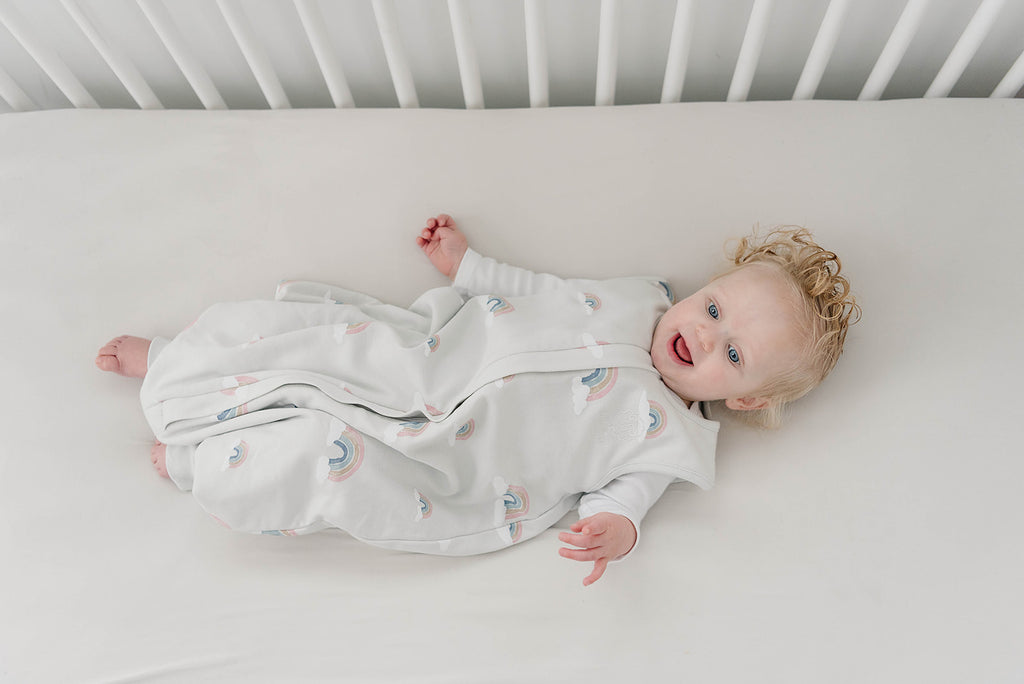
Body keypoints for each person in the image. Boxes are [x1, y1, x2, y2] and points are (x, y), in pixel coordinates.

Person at [96, 214, 858, 586]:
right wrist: (467, 266)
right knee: (304, 339)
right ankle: (175, 364)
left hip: (452, 463)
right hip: (425, 362)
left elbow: (629, 495)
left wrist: (614, 530)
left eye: (731, 354)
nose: (702, 333)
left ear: (749, 399)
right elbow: (543, 293)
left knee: (327, 462)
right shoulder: (636, 300)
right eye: (715, 308)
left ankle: (200, 461)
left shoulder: (669, 436)